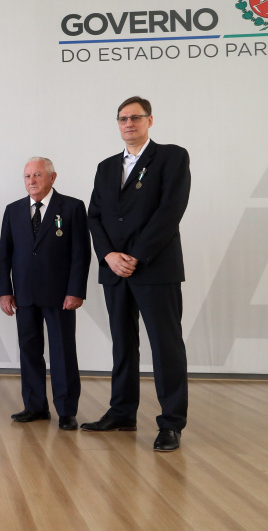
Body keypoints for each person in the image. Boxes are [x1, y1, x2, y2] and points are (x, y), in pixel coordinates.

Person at [83, 96, 191, 452]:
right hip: (115, 271)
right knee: (123, 344)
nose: (128, 124)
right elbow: (94, 216)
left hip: (155, 268)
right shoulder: (106, 166)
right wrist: (110, 255)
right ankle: (122, 412)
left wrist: (136, 255)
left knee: (165, 346)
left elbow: (169, 211)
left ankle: (171, 424)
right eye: (122, 119)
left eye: (135, 118)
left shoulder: (172, 157)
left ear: (150, 121)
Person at [0, 157, 91, 430]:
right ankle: (35, 406)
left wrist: (76, 291)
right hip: (24, 294)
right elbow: (5, 254)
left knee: (62, 352)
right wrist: (5, 291)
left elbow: (81, 254)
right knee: (29, 351)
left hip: (60, 295)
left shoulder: (72, 207)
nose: (32, 181)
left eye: (37, 175)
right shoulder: (13, 210)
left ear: (52, 177)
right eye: (27, 176)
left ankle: (66, 410)